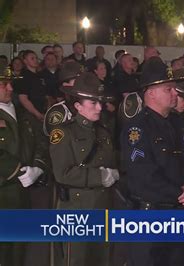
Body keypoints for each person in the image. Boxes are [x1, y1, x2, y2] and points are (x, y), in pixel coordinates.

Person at [121, 57, 184, 266]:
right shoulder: (136, 129)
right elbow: (144, 174)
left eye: (175, 88)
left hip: (179, 214)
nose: (175, 93)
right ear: (151, 92)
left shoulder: (180, 123)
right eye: (169, 89)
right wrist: (182, 194)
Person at [49, 72, 118, 266]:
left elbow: (112, 162)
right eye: (93, 103)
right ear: (77, 106)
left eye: (100, 103)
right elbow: (62, 173)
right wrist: (100, 176)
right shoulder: (63, 133)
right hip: (77, 208)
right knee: (76, 259)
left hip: (102, 205)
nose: (99, 107)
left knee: (101, 257)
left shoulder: (103, 132)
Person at [0, 66, 50, 266]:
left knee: (19, 250)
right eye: (4, 84)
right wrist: (20, 170)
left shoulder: (22, 114)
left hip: (22, 196)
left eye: (11, 83)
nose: (10, 88)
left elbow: (40, 142)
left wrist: (37, 168)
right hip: (3, 195)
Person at [42, 61, 83, 136]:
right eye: (77, 81)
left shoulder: (86, 107)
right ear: (66, 85)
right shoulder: (58, 112)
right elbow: (57, 143)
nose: (82, 85)